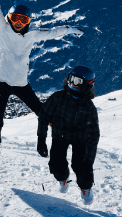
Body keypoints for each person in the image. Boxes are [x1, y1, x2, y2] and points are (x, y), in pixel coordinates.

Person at [0, 0, 83, 168]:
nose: (19, 23)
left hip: (20, 82)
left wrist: (70, 29)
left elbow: (52, 33)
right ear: (9, 18)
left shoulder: (31, 35)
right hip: (1, 81)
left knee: (42, 112)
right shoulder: (1, 28)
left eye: (24, 20)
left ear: (29, 22)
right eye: (15, 18)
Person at [37, 66, 99, 205]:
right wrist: (41, 139)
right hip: (60, 135)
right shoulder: (58, 97)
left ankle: (86, 188)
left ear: (87, 85)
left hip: (80, 140)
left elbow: (93, 136)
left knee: (80, 166)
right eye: (70, 79)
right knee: (56, 163)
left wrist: (89, 161)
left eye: (77, 81)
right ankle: (63, 178)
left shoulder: (89, 108)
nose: (72, 84)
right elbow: (43, 116)